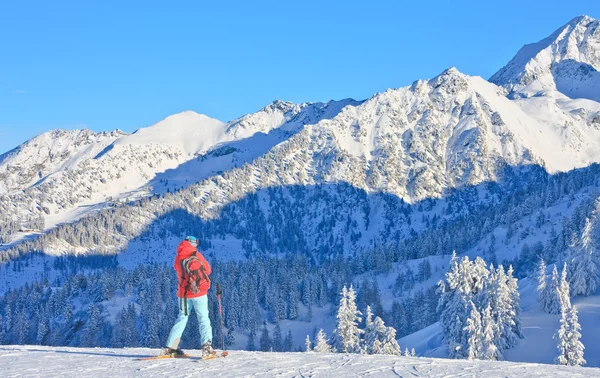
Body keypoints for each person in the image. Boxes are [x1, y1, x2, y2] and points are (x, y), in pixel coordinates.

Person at [163, 236, 214, 357]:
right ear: (192, 244)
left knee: (181, 318)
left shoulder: (178, 257)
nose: (196, 245)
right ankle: (207, 348)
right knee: (203, 319)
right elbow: (208, 269)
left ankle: (170, 347)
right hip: (199, 293)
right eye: (195, 243)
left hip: (183, 294)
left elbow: (177, 269)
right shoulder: (195, 254)